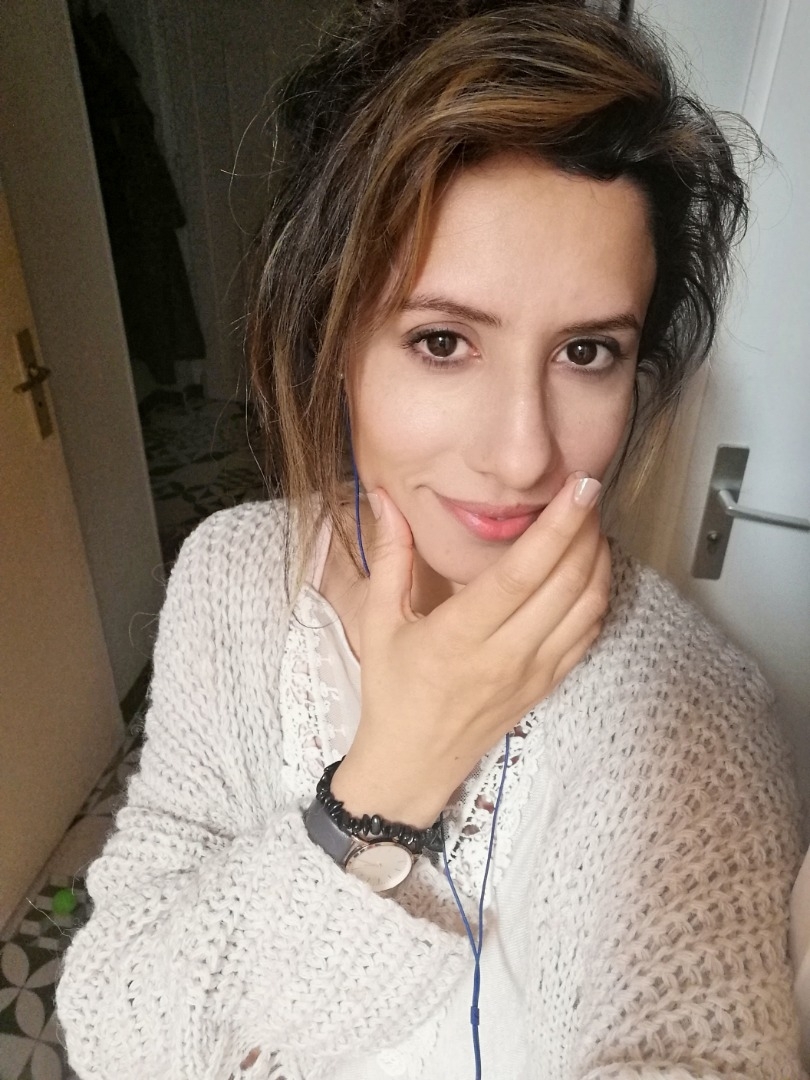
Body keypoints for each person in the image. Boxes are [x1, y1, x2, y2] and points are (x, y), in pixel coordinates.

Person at [57, 1, 806, 1078]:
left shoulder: (692, 706)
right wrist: (386, 784)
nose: (521, 454)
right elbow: (122, 1034)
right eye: (444, 340)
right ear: (332, 338)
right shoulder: (234, 576)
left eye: (587, 352)